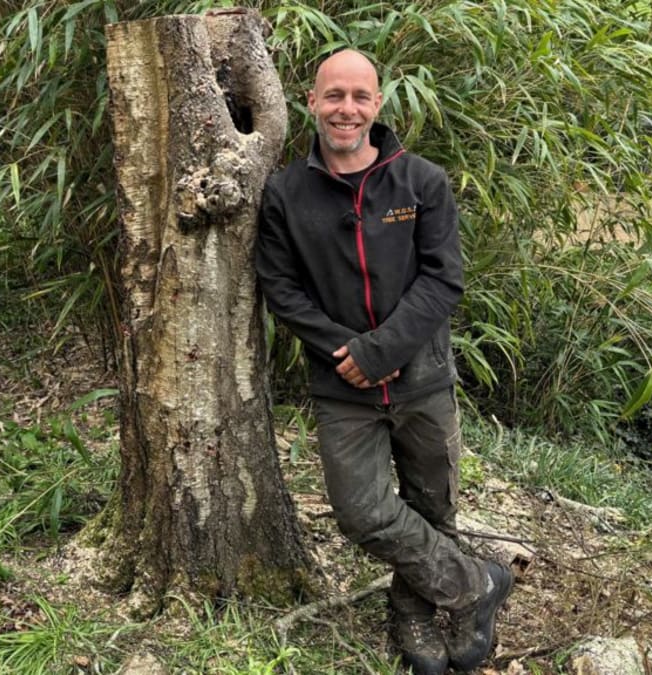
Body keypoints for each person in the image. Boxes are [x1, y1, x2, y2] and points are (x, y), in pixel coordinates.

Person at [254, 49, 513, 675]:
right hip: (341, 385)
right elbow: (279, 285)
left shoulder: (421, 182)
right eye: (334, 95)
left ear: (378, 104)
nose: (347, 109)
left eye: (360, 96)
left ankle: (415, 610)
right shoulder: (286, 193)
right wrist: (349, 355)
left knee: (432, 506)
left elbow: (443, 280)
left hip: (422, 378)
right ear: (311, 101)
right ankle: (476, 585)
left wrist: (382, 351)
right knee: (364, 511)